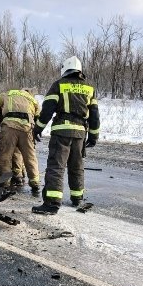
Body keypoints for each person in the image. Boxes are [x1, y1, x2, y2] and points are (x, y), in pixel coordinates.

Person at [32, 56, 100, 215]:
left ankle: (52, 204)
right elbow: (94, 115)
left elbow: (48, 109)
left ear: (65, 69)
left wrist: (37, 129)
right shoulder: (89, 88)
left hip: (62, 132)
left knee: (56, 166)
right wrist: (93, 136)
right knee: (77, 166)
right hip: (80, 134)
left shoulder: (59, 85)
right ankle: (77, 198)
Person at [0, 89, 40, 194]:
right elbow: (38, 118)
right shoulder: (33, 100)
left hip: (9, 127)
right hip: (27, 128)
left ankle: (4, 182)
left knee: (5, 155)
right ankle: (35, 183)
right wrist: (36, 132)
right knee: (30, 156)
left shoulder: (8, 93)